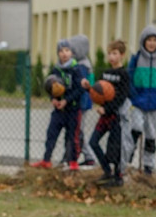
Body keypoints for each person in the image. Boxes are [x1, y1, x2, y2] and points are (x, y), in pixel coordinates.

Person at [32, 38, 84, 170]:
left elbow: (80, 89)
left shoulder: (76, 69)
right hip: (59, 110)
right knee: (51, 133)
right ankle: (46, 160)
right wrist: (53, 99)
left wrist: (67, 100)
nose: (64, 53)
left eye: (67, 50)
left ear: (72, 53)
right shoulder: (55, 70)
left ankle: (73, 162)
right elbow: (50, 86)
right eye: (61, 51)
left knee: (72, 137)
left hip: (72, 109)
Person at [88, 40, 131, 187]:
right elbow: (99, 93)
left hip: (115, 117)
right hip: (104, 117)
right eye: (109, 53)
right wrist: (89, 88)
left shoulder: (124, 74)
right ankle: (107, 171)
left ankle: (118, 178)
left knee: (114, 148)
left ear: (122, 55)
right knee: (93, 142)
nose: (111, 57)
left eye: (115, 53)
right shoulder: (106, 73)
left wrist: (107, 109)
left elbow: (121, 97)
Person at [127, 25, 156, 175]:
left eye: (155, 40)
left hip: (154, 105)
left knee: (151, 135)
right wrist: (135, 96)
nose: (152, 43)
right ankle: (126, 158)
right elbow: (129, 78)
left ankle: (148, 166)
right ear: (143, 41)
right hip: (138, 102)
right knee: (136, 127)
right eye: (149, 40)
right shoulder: (136, 58)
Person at [66, 34, 98, 167]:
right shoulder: (79, 64)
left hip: (82, 103)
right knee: (77, 130)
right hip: (80, 103)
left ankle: (88, 156)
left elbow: (82, 86)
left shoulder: (82, 66)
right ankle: (74, 155)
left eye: (72, 50)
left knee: (78, 131)